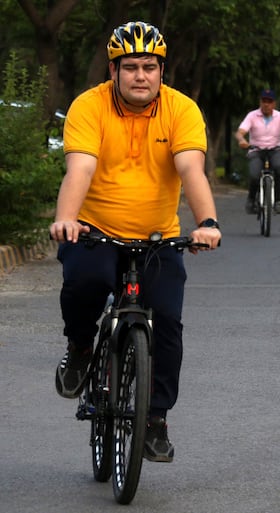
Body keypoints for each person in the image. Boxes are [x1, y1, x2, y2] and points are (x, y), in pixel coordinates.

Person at [50, 21, 222, 463]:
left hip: (157, 238)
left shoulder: (181, 110)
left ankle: (155, 419)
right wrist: (66, 219)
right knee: (83, 285)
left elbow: (191, 171)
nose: (140, 76)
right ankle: (81, 348)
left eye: (149, 66)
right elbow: (80, 170)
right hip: (94, 229)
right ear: (113, 70)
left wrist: (207, 222)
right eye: (130, 67)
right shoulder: (88, 107)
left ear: (162, 71)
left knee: (166, 321)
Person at [235, 89, 280, 214]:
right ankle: (251, 200)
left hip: (275, 149)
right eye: (264, 101)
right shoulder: (252, 116)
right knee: (254, 174)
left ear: (274, 104)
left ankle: (278, 201)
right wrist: (241, 140)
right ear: (260, 102)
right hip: (256, 150)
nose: (266, 104)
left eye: (269, 101)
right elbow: (240, 132)